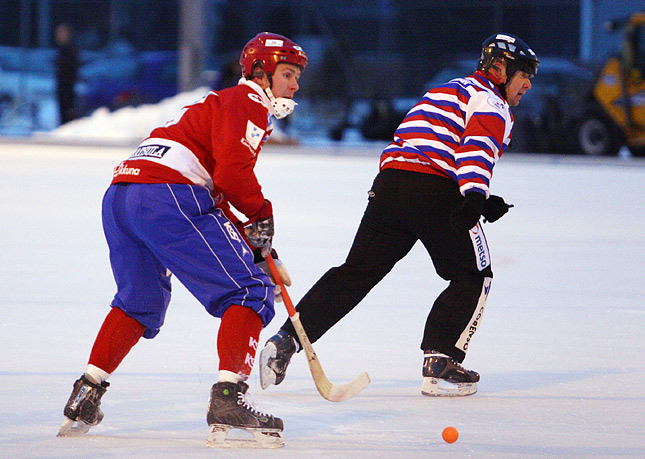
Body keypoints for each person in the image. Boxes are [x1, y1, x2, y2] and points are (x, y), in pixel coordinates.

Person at [58, 32, 307, 448]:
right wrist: (263, 215)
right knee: (249, 291)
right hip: (167, 194)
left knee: (139, 302)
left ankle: (86, 393)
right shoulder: (249, 102)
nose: (295, 85)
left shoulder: (217, 105)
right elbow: (229, 176)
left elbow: (215, 196)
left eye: (297, 76)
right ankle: (229, 399)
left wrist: (258, 248)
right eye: (287, 74)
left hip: (123, 195)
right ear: (259, 73)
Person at [259, 33, 538, 397]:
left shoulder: (445, 91)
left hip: (390, 186)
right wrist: (473, 195)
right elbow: (477, 146)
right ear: (500, 70)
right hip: (436, 190)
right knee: (474, 274)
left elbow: (425, 144)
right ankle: (441, 364)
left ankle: (285, 341)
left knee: (356, 273)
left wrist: (479, 197)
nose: (529, 85)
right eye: (524, 75)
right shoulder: (490, 100)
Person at [54, 23, 80, 125]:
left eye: (61, 33)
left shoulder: (70, 50)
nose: (58, 36)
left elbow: (72, 69)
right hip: (63, 86)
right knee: (63, 113)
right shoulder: (62, 49)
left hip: (68, 87)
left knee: (67, 113)